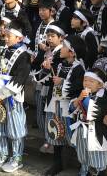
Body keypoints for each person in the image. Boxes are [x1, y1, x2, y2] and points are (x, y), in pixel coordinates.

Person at [0, 18, 31, 173]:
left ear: (19, 38)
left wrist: (1, 94)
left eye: (9, 36)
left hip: (12, 97)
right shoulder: (5, 50)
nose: (5, 38)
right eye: (5, 35)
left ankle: (17, 158)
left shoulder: (24, 55)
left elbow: (19, 80)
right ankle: (2, 154)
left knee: (15, 129)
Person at [44, 35, 86, 176]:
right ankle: (57, 164)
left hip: (69, 108)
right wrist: (46, 69)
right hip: (55, 104)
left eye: (64, 46)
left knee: (72, 137)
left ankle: (83, 166)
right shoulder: (60, 64)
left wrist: (62, 82)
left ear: (72, 52)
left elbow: (77, 88)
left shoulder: (79, 68)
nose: (61, 48)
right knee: (55, 134)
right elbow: (46, 81)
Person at [70, 68, 107, 176]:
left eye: (91, 81)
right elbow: (71, 109)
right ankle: (84, 172)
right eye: (85, 80)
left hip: (95, 133)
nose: (87, 83)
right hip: (82, 130)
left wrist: (84, 99)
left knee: (97, 159)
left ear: (100, 85)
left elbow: (94, 113)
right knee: (83, 156)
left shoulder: (103, 98)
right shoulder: (84, 94)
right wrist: (79, 98)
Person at [35, 21, 65, 154]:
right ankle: (50, 140)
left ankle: (54, 142)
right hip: (50, 88)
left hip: (59, 89)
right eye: (48, 36)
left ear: (61, 38)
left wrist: (49, 67)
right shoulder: (49, 51)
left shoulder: (61, 52)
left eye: (53, 36)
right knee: (48, 112)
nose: (49, 39)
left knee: (55, 114)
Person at [31, 0, 55, 133]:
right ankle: (41, 125)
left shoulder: (56, 26)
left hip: (48, 67)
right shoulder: (38, 24)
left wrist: (47, 48)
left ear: (51, 11)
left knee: (45, 98)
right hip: (37, 65)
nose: (41, 12)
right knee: (38, 96)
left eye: (44, 10)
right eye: (40, 9)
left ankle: (48, 131)